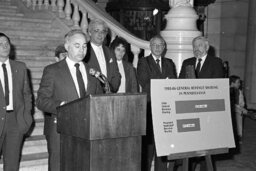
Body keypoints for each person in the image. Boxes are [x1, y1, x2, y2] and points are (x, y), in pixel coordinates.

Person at [36, 29, 103, 171]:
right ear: (67, 47)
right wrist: (63, 106)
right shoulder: (52, 70)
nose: (82, 50)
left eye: (84, 46)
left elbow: (99, 100)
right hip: (60, 130)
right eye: (77, 46)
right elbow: (41, 100)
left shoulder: (92, 71)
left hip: (86, 130)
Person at [179, 36, 224, 171]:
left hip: (207, 111)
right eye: (194, 46)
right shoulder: (187, 62)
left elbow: (217, 87)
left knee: (207, 146)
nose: (196, 49)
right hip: (189, 111)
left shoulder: (216, 62)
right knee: (190, 145)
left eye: (199, 45)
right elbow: (180, 85)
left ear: (207, 47)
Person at [137, 35, 177, 171]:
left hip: (166, 109)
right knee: (149, 147)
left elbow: (173, 84)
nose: (158, 47)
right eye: (155, 45)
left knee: (162, 146)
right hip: (150, 107)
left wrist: (160, 82)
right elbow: (145, 83)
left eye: (161, 45)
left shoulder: (170, 63)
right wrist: (164, 82)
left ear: (164, 47)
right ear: (150, 47)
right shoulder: (143, 62)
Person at [0, 32, 32, 170]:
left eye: (7, 43)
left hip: (15, 121)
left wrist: (26, 118)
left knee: (12, 164)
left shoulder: (20, 67)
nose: (5, 46)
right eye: (0, 44)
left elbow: (27, 94)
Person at [85, 18, 121, 93]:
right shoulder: (84, 50)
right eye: (96, 31)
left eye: (103, 31)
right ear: (90, 32)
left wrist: (110, 89)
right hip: (91, 95)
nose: (100, 34)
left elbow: (116, 74)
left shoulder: (110, 51)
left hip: (109, 95)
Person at [230, 75, 247, 145]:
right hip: (230, 111)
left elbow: (241, 103)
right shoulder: (226, 90)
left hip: (237, 110)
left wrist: (242, 108)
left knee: (239, 115)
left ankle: (239, 136)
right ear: (232, 83)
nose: (239, 84)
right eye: (238, 82)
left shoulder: (239, 92)